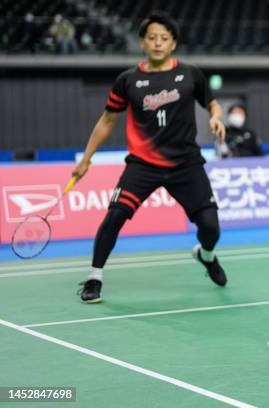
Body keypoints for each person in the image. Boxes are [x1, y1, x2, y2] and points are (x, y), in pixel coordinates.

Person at [72, 12, 227, 303]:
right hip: (144, 163)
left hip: (186, 163)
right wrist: (86, 158)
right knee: (115, 215)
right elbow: (107, 120)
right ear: (143, 42)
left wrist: (217, 118)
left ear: (173, 44)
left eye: (164, 38)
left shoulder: (191, 74)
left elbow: (213, 105)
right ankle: (94, 277)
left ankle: (206, 256)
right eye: (152, 37)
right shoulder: (128, 80)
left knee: (210, 227)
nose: (158, 43)